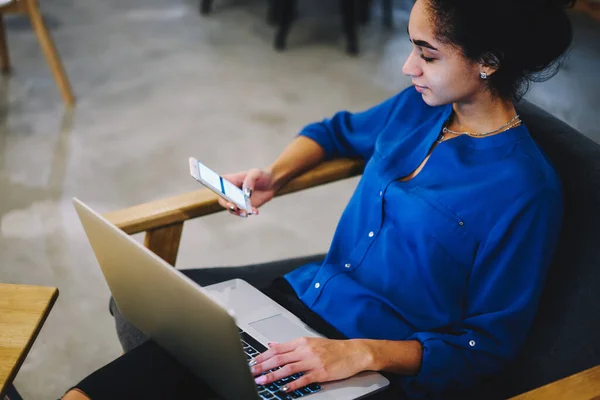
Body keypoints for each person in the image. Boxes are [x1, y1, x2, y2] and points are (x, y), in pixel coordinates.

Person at [62, 0, 575, 398]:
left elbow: (485, 346)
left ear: (487, 61)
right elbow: (333, 133)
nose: (406, 67)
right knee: (88, 394)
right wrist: (275, 176)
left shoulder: (524, 191)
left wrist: (360, 354)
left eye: (426, 53)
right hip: (296, 303)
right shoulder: (418, 107)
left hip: (372, 365)